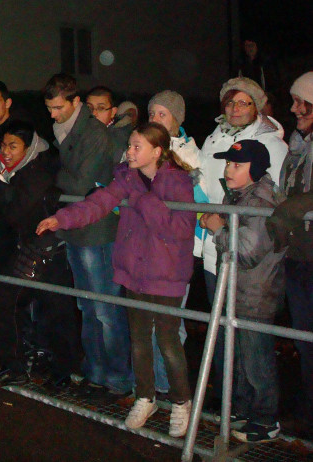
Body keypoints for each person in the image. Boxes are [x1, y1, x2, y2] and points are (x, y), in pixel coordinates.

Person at [37, 122, 196, 437]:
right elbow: (98, 203)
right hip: (134, 271)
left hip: (166, 274)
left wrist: (143, 200)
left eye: (137, 147)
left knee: (167, 340)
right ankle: (145, 396)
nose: (130, 152)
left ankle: (182, 401)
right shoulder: (126, 177)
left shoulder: (177, 181)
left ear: (157, 151)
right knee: (139, 338)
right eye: (130, 145)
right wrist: (62, 218)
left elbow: (179, 229)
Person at [199, 76, 288, 403]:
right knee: (224, 333)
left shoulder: (270, 145)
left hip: (250, 264)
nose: (235, 108)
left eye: (244, 102)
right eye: (230, 102)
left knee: (252, 343)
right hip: (217, 248)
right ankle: (232, 404)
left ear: (257, 106)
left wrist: (221, 226)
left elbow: (266, 204)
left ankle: (260, 412)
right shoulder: (214, 138)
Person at [43, 73, 133, 397]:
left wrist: (55, 178)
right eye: (49, 108)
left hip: (98, 231)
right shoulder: (67, 130)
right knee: (87, 307)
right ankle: (96, 373)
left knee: (105, 309)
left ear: (75, 102)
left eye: (58, 108)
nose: (52, 115)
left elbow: (82, 184)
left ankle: (118, 379)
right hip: (77, 228)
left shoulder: (93, 133)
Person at [0, 120, 80, 384]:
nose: (6, 152)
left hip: (47, 251)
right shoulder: (13, 172)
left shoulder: (36, 172)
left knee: (49, 312)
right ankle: (28, 366)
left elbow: (14, 212)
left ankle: (54, 371)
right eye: (3, 145)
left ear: (29, 148)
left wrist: (5, 186)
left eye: (13, 146)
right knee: (23, 307)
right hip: (33, 248)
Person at [201, 140, 285, 443]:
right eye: (228, 163)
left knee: (256, 360)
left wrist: (218, 229)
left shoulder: (259, 202)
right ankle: (244, 410)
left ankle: (265, 420)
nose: (228, 169)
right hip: (240, 292)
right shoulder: (239, 195)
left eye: (237, 165)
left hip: (255, 295)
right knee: (241, 357)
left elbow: (247, 252)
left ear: (256, 169)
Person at [147, 90, 209, 396]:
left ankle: (171, 388)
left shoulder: (192, 156)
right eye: (152, 114)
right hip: (145, 249)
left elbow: (202, 203)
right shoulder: (141, 146)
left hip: (176, 251)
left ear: (177, 119)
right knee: (147, 320)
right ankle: (151, 386)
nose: (156, 119)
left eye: (163, 114)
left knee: (170, 322)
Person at [266, 71, 313, 441]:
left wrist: (289, 210)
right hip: (299, 257)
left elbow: (298, 200)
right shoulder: (299, 145)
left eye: (303, 102)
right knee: (304, 340)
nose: (295, 109)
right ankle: (309, 415)